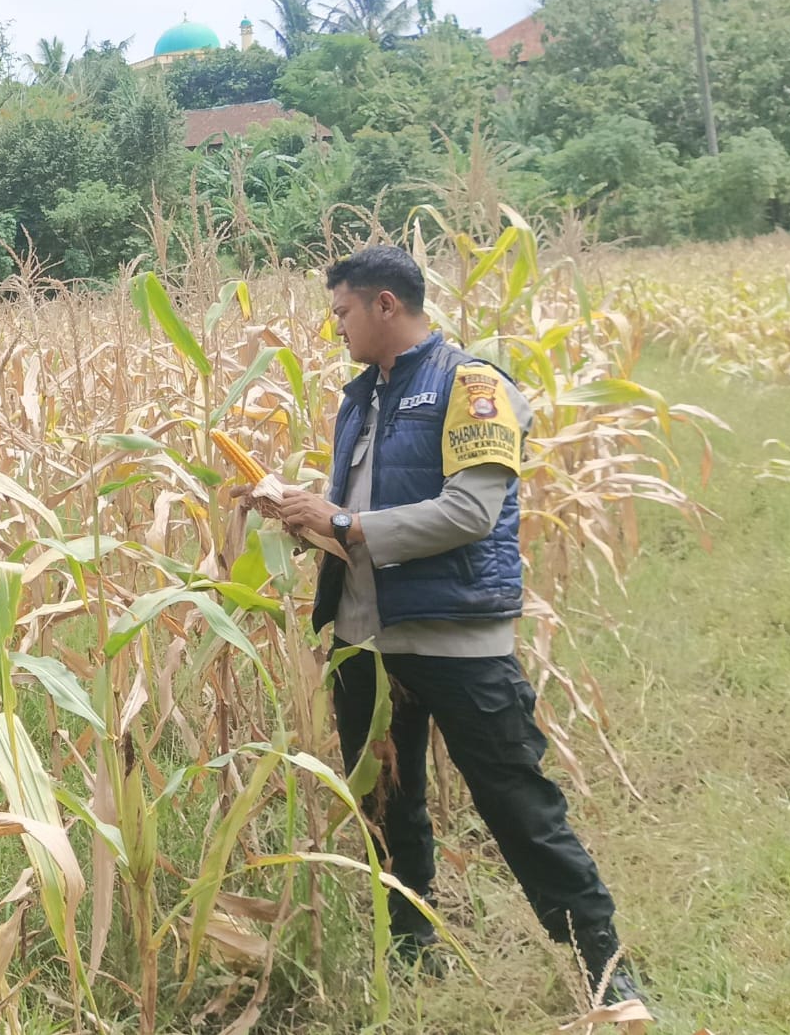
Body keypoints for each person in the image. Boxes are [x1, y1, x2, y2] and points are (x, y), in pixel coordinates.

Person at [247, 246, 645, 1008]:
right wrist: (300, 515)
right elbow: (354, 518)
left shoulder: (472, 387)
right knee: (386, 805)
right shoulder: (359, 399)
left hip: (455, 639)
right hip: (364, 642)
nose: (335, 328)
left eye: (342, 313)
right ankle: (411, 946)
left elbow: (469, 513)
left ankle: (603, 960)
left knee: (517, 804)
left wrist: (343, 521)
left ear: (385, 305)